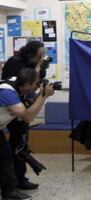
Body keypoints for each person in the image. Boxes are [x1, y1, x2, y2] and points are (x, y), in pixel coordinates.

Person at [0, 68, 54, 199]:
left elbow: (30, 104)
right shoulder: (7, 91)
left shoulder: (19, 85)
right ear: (26, 86)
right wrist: (44, 95)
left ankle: (10, 189)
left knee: (5, 154)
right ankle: (9, 192)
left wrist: (40, 93)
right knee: (4, 155)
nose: (38, 86)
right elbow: (27, 116)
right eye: (36, 84)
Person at [1, 41, 46, 190]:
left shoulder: (30, 66)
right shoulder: (16, 63)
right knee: (14, 147)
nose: (43, 56)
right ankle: (13, 184)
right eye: (40, 54)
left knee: (18, 146)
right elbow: (29, 83)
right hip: (14, 108)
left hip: (17, 107)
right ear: (31, 53)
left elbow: (35, 82)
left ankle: (17, 180)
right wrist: (43, 96)